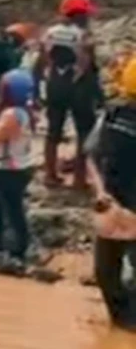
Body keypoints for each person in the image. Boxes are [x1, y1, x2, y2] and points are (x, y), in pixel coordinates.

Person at [85, 55, 136, 329]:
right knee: (105, 273)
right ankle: (121, 325)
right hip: (114, 205)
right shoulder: (112, 116)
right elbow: (92, 155)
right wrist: (100, 191)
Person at [34, 0, 100, 188]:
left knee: (53, 131)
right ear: (79, 15)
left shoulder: (50, 33)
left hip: (55, 84)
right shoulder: (84, 36)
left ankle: (50, 175)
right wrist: (97, 94)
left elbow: (40, 62)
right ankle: (80, 178)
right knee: (84, 132)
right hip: (78, 87)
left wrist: (37, 88)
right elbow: (88, 65)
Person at [0, 69, 36, 267]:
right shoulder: (24, 110)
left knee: (12, 211)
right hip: (13, 166)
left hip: (9, 169)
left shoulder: (13, 114)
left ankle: (17, 252)